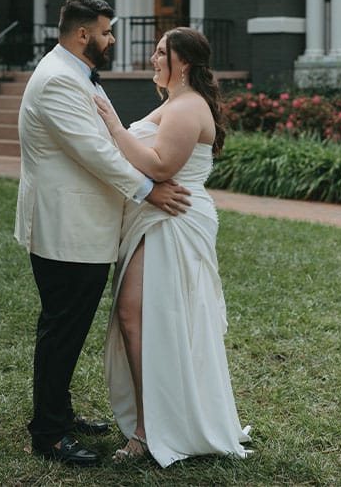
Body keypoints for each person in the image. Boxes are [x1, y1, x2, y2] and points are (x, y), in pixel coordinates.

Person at [14, 0, 192, 467]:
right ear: (81, 34)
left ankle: (60, 414)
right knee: (61, 330)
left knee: (66, 328)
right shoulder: (57, 81)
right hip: (66, 229)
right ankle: (49, 435)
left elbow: (108, 138)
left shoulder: (76, 73)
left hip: (81, 227)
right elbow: (95, 152)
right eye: (107, 32)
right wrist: (148, 189)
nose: (112, 39)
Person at [95, 26, 252, 467]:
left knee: (141, 315)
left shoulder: (187, 107)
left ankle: (150, 430)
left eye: (161, 52)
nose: (153, 58)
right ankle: (154, 421)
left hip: (173, 220)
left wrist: (111, 124)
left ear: (181, 62)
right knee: (147, 318)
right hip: (159, 218)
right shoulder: (176, 104)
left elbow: (162, 166)